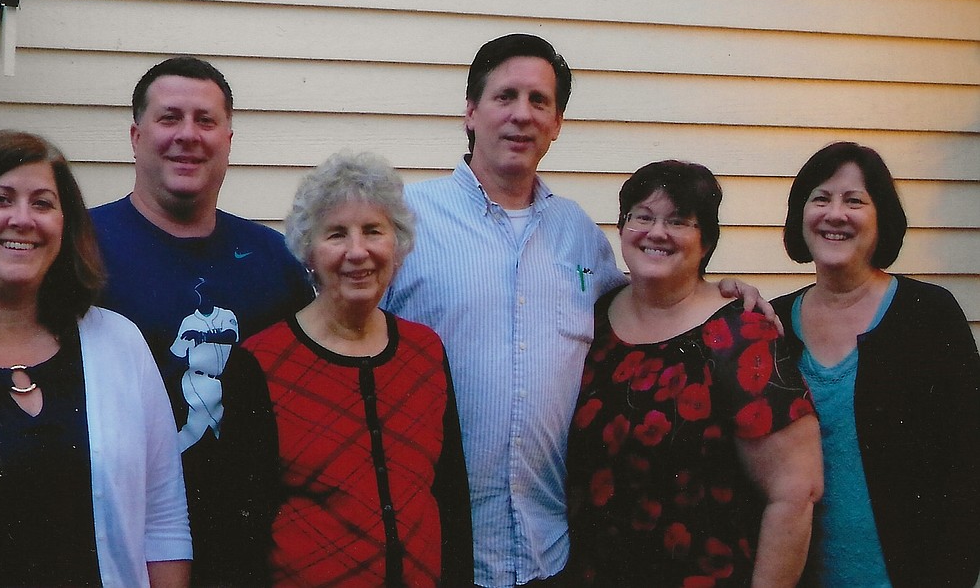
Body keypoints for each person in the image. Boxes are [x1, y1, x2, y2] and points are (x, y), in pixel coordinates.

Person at [384, 33, 774, 587]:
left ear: (558, 122)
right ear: (470, 112)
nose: (522, 115)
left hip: (554, 550)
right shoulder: (405, 222)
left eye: (539, 101)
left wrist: (719, 291)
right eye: (505, 97)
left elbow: (646, 301)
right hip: (439, 549)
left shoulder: (577, 236)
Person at [0, 130, 190, 588]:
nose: (23, 219)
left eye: (43, 204)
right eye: (1, 199)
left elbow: (163, 527)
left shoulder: (120, 345)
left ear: (64, 228)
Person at [89, 57, 313, 584]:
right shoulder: (79, 251)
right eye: (170, 118)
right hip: (122, 542)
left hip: (249, 546)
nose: (188, 135)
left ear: (228, 140)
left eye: (205, 121)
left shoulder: (273, 259)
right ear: (136, 135)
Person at [218, 151, 473, 586]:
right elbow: (241, 533)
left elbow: (449, 499)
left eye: (374, 230)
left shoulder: (425, 351)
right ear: (309, 252)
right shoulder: (260, 364)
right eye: (337, 234)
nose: (359, 252)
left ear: (398, 243)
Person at [568, 159, 823, 586]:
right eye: (642, 217)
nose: (656, 232)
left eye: (679, 221)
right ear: (622, 228)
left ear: (706, 243)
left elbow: (795, 493)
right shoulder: (594, 319)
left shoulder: (741, 334)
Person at [772, 142, 980, 588]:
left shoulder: (928, 314)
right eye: (820, 198)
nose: (835, 214)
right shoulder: (771, 324)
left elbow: (969, 462)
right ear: (799, 215)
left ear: (881, 217)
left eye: (854, 201)